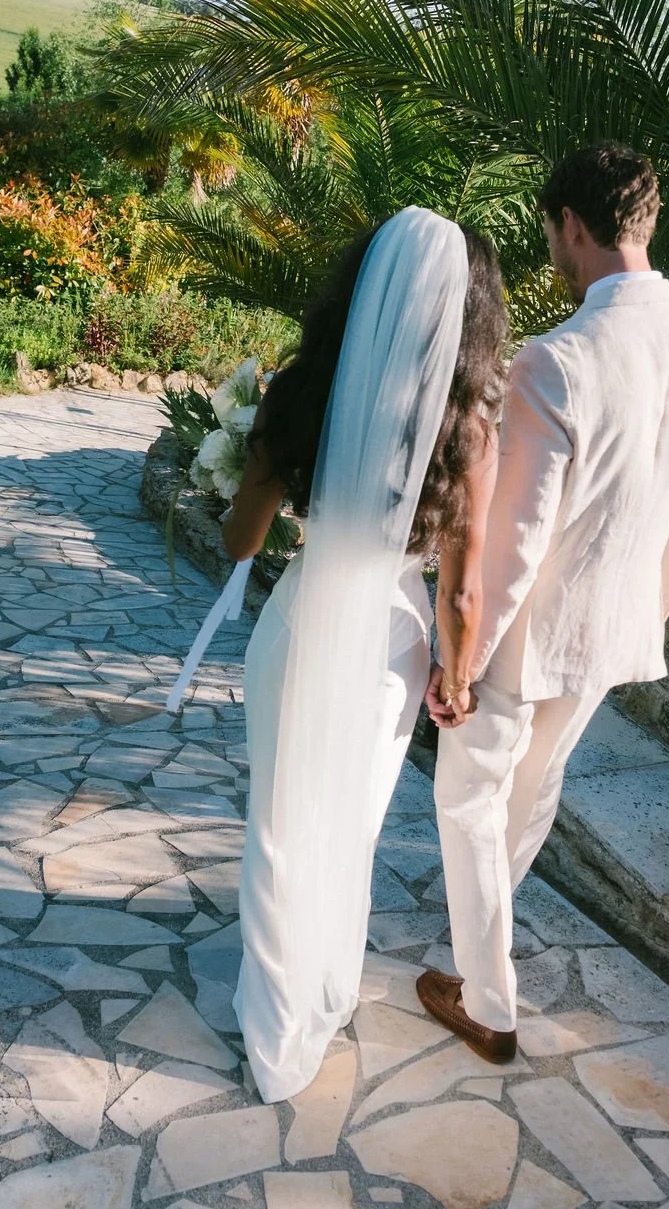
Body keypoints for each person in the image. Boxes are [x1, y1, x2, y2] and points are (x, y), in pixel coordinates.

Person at [418, 144, 669, 1062]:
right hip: (612, 631)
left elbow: (514, 544)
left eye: (552, 234)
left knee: (470, 798)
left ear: (571, 225)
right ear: (646, 220)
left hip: (524, 637)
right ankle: (475, 955)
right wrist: (645, 612)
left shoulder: (557, 361)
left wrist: (462, 658)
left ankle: (488, 1001)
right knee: (528, 796)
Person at [219, 206, 508, 1102]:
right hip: (394, 641)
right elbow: (460, 592)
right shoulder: (470, 435)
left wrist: (235, 470)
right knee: (353, 827)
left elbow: (239, 538)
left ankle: (274, 1037)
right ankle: (327, 989)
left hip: (302, 622)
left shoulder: (299, 393)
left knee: (276, 823)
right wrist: (455, 681)